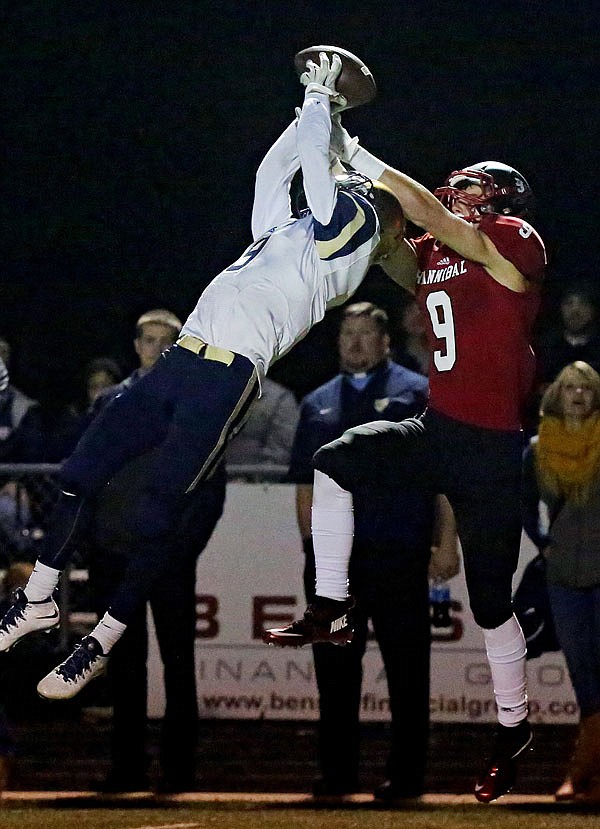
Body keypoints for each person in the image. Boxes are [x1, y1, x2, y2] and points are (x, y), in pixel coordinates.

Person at [0, 54, 408, 705]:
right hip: (182, 361)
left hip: (228, 379)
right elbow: (275, 168)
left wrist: (319, 100)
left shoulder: (351, 244)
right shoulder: (288, 234)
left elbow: (322, 179)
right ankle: (40, 597)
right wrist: (318, 107)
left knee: (159, 512)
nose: (342, 183)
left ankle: (102, 638)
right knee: (80, 472)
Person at [264, 101, 547, 804]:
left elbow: (435, 218)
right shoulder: (441, 252)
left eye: (475, 188)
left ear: (504, 199)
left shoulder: (515, 240)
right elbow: (393, 245)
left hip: (488, 451)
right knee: (333, 459)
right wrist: (336, 180)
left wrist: (360, 154)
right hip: (438, 429)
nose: (462, 194)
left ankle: (512, 731)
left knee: (489, 606)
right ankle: (331, 603)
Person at [289, 300, 458, 800]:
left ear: (386, 342)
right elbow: (304, 485)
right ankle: (337, 775)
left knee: (407, 670)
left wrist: (445, 544)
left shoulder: (418, 393)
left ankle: (406, 777)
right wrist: (313, 551)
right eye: (347, 336)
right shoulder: (316, 402)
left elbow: (443, 479)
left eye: (365, 335)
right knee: (335, 671)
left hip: (398, 553)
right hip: (335, 564)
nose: (355, 344)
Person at [86, 308, 225, 793]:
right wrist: (94, 545)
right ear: (137, 345)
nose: (158, 349)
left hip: (168, 559)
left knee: (177, 662)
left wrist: (183, 549)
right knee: (123, 664)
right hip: (115, 557)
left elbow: (211, 491)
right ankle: (127, 768)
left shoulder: (204, 405)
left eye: (168, 341)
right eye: (149, 340)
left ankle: (179, 769)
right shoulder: (108, 402)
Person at [522, 361, 600, 802]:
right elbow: (523, 505)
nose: (577, 394)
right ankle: (587, 771)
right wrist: (544, 543)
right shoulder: (538, 448)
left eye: (586, 388)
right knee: (582, 672)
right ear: (555, 394)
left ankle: (581, 771)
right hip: (564, 572)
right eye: (569, 387)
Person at [226, 376, 299, 468]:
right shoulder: (211, 392)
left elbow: (280, 453)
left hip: (259, 477)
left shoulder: (279, 399)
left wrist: (254, 479)